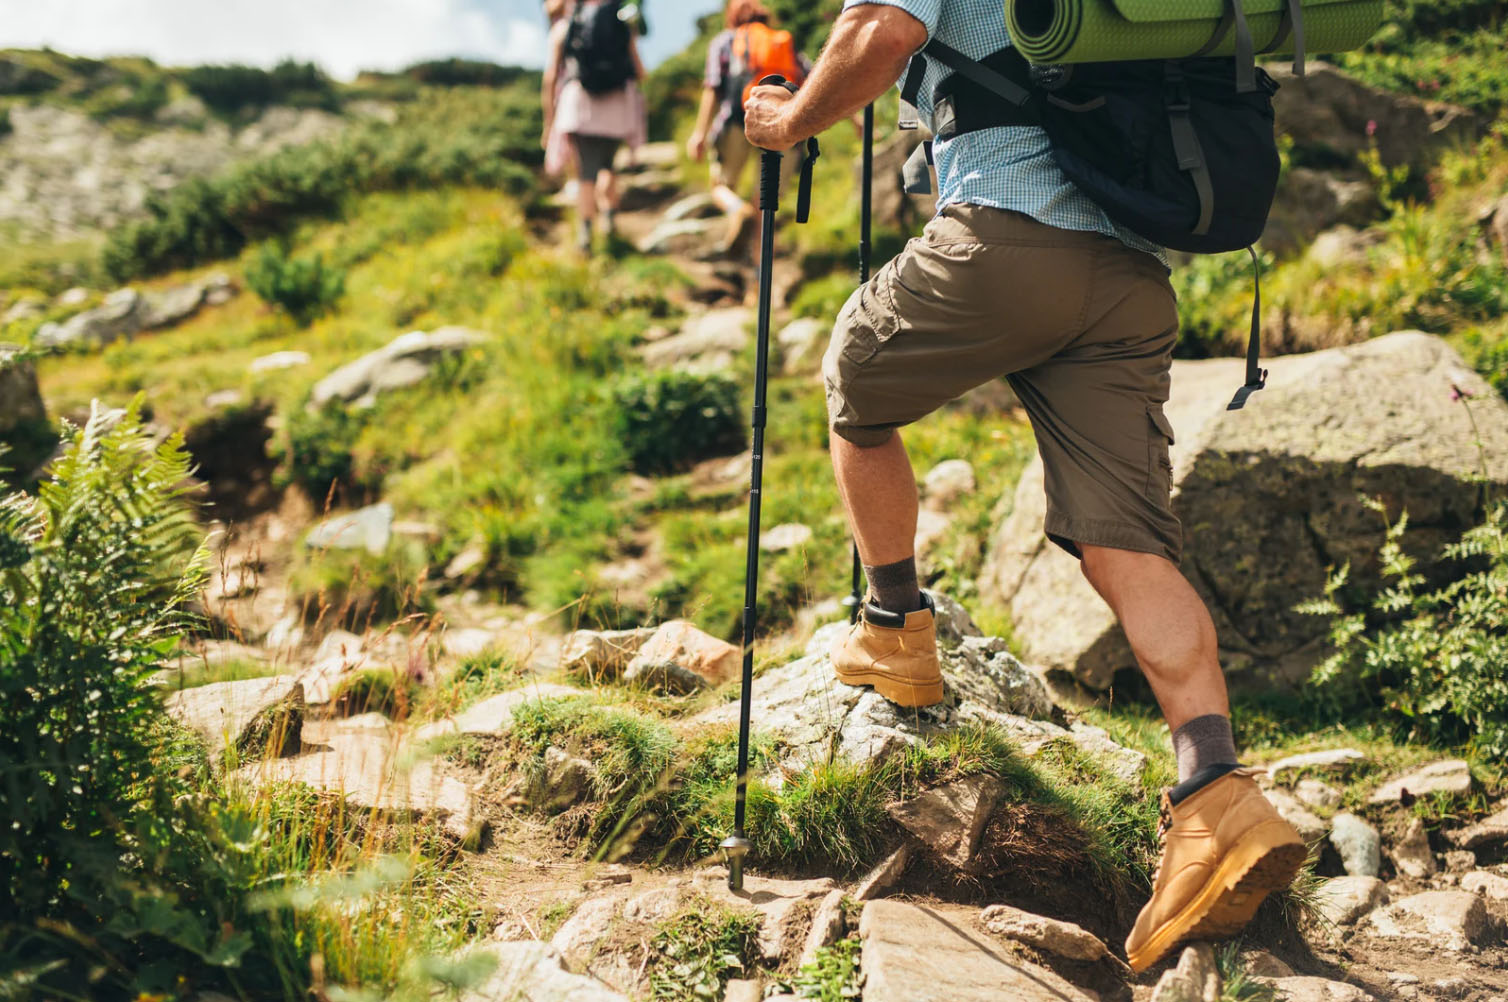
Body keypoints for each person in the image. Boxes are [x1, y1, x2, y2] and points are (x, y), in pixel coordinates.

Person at [741, 0, 1307, 975]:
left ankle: (893, 630)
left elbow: (879, 35)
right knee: (1124, 543)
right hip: (1126, 276)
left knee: (853, 380)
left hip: (1007, 239)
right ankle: (1215, 792)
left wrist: (789, 121)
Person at [685, 0, 810, 256]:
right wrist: (855, 121)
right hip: (780, 123)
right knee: (765, 205)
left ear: (731, 17)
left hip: (736, 120)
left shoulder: (725, 41)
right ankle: (758, 269)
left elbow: (712, 87)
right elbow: (812, 80)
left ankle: (736, 210)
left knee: (720, 185)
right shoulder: (782, 41)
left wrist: (699, 134)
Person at [544, 0, 648, 252]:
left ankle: (586, 235)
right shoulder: (622, 23)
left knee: (586, 174)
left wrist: (548, 123)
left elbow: (550, 79)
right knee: (608, 167)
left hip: (580, 107)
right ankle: (610, 222)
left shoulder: (564, 27)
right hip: (616, 108)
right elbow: (640, 72)